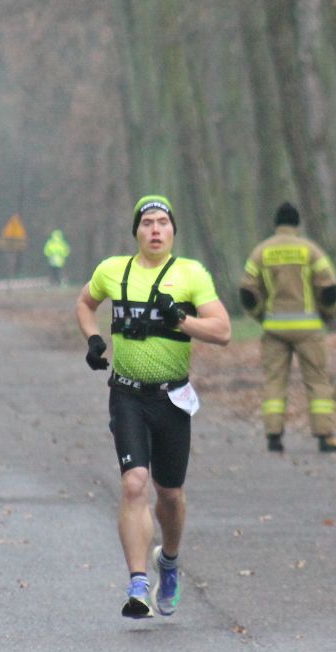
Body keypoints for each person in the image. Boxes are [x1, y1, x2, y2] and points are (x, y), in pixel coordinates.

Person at [75, 195, 231, 619]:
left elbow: (223, 331)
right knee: (133, 483)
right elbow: (85, 303)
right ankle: (138, 582)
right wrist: (92, 339)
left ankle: (170, 561)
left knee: (171, 494)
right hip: (127, 395)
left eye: (163, 222)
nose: (156, 230)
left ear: (173, 230)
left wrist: (180, 319)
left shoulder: (191, 274)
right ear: (137, 232)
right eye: (147, 224)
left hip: (172, 398)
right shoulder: (112, 270)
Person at [239, 201, 336, 453]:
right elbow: (329, 287)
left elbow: (247, 291)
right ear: (297, 224)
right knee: (317, 381)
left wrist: (260, 315)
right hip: (308, 327)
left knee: (274, 382)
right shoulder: (310, 250)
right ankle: (324, 436)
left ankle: (274, 435)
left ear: (276, 224)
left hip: (274, 327)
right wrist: (326, 315)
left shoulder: (261, 252)